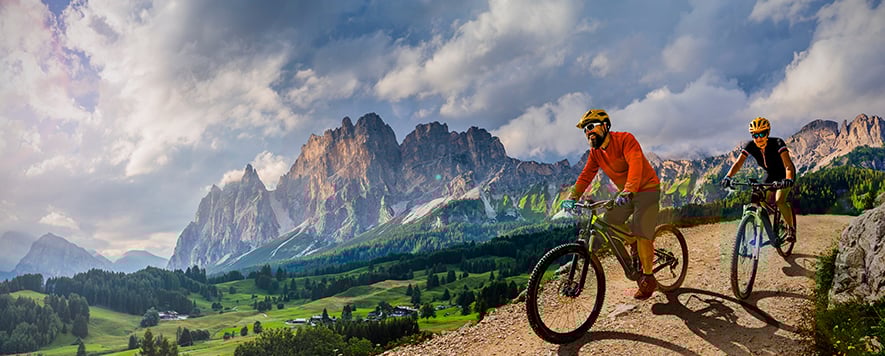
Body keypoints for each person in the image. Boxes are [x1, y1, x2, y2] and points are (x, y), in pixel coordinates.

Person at [560, 109, 662, 300]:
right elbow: (586, 175)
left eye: (591, 127)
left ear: (605, 126)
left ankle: (648, 277)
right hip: (627, 194)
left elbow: (635, 164)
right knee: (609, 221)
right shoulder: (595, 152)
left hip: (647, 190)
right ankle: (632, 243)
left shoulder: (625, 139)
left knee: (641, 230)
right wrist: (572, 197)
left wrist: (630, 189)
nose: (588, 133)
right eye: (585, 130)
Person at [720, 117, 796, 242]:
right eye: (755, 135)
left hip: (785, 174)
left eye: (762, 134)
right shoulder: (750, 145)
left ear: (768, 133)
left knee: (779, 200)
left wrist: (788, 179)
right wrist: (728, 177)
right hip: (770, 174)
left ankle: (790, 229)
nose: (758, 138)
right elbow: (738, 164)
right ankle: (762, 232)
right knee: (759, 198)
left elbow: (788, 165)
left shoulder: (778, 143)